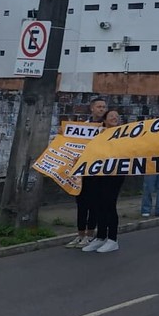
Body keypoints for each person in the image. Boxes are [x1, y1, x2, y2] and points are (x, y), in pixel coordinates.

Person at [82, 108, 125, 254]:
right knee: (98, 204)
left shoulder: (125, 134)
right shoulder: (97, 134)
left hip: (115, 174)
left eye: (117, 116)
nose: (114, 117)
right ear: (105, 120)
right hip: (98, 172)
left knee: (109, 204)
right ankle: (100, 237)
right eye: (111, 116)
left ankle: (113, 239)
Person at [65, 96, 106, 248]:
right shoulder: (84, 128)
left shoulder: (107, 128)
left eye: (103, 107)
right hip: (83, 171)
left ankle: (90, 234)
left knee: (94, 204)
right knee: (81, 204)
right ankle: (80, 234)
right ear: (92, 108)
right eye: (99, 106)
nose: (101, 109)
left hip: (99, 172)